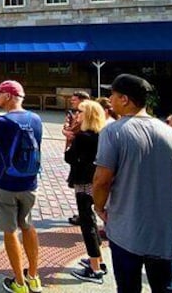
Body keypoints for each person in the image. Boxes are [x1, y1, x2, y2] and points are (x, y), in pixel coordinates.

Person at [93, 74, 172, 293]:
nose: (110, 99)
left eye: (113, 94)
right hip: (164, 230)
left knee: (128, 287)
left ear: (125, 99)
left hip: (127, 227)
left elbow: (102, 180)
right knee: (165, 287)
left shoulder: (113, 131)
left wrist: (99, 206)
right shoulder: (170, 132)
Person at [0, 80, 43, 293]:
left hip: (6, 183)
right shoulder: (36, 118)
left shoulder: (1, 121)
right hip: (29, 182)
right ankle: (34, 277)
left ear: (8, 96)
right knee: (28, 225)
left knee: (10, 231)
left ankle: (19, 282)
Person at [66, 100, 107, 284]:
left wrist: (69, 140)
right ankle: (98, 259)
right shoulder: (102, 134)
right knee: (91, 220)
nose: (77, 114)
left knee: (87, 223)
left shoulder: (83, 136)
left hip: (83, 182)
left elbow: (70, 157)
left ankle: (95, 269)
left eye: (80, 111)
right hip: (96, 182)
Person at [63, 91, 88, 226]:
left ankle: (85, 215)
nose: (72, 102)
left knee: (84, 187)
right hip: (75, 154)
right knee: (78, 185)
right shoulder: (73, 113)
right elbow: (68, 128)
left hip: (83, 158)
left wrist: (71, 132)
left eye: (74, 100)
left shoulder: (87, 115)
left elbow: (74, 131)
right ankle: (82, 213)